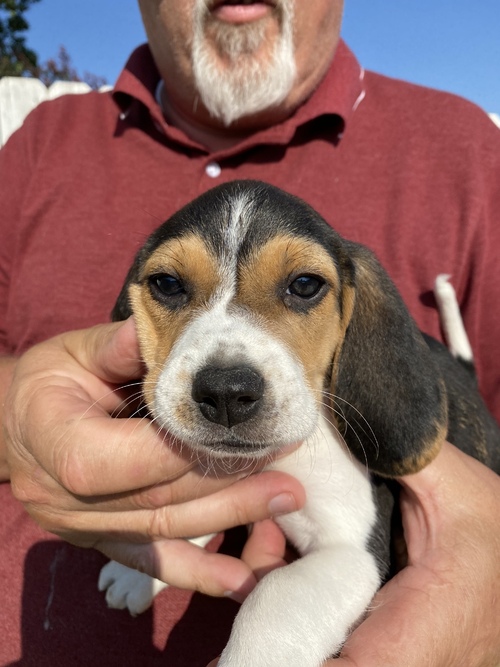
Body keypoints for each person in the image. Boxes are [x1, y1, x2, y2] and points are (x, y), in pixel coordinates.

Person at [1, 0, 499, 665]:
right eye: (173, 286)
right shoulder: (38, 143)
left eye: (301, 287)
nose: (230, 372)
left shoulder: (467, 150)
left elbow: (348, 555)